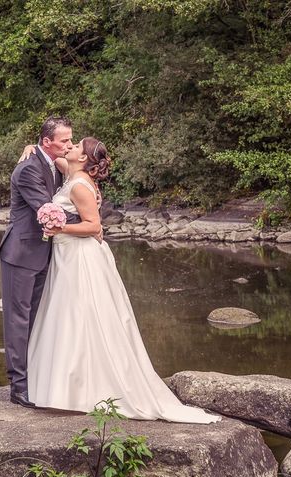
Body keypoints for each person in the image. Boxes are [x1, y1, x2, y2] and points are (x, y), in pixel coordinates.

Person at [25, 137, 220, 423]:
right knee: (67, 316)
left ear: (84, 158)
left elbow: (94, 226)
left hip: (81, 258)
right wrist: (30, 149)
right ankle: (67, 388)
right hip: (67, 257)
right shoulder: (74, 174)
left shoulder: (79, 185)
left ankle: (84, 389)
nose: (71, 147)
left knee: (83, 316)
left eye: (76, 145)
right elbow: (53, 157)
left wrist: (59, 226)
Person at [0, 116, 92, 408]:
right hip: (21, 254)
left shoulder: (55, 165)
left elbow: (79, 175)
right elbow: (48, 209)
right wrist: (89, 222)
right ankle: (19, 386)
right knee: (18, 320)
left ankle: (36, 377)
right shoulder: (27, 169)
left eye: (71, 139)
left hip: (46, 254)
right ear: (47, 142)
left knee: (37, 319)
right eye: (65, 141)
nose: (70, 144)